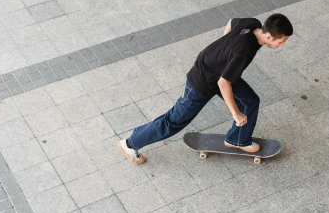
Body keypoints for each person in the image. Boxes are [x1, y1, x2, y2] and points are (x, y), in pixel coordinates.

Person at [118, 13, 294, 164]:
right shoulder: (244, 51)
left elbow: (232, 22)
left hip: (220, 73)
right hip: (202, 82)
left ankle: (238, 139)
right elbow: (223, 83)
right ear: (269, 36)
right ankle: (130, 144)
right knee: (173, 121)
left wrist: (223, 55)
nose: (282, 45)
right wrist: (235, 113)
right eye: (282, 41)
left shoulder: (252, 24)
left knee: (250, 101)